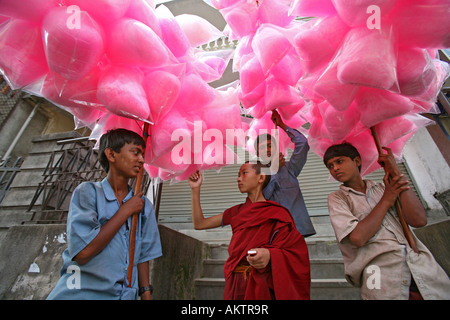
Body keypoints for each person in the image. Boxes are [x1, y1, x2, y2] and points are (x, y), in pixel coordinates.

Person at [324, 142, 450, 300]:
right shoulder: (338, 198)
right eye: (330, 166)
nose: (334, 168)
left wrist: (395, 170)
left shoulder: (384, 187)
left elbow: (419, 220)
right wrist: (387, 199)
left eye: (339, 161)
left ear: (356, 161)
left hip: (419, 266)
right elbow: (358, 238)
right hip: (378, 275)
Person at [47, 128, 162, 300]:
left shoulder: (144, 207)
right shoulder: (88, 193)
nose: (141, 159)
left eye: (143, 154)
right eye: (136, 152)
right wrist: (126, 210)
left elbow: (143, 254)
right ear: (111, 154)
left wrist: (145, 293)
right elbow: (83, 253)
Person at [188, 162, 310, 300]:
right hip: (236, 280)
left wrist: (270, 254)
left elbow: (294, 251)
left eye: (244, 173)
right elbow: (199, 224)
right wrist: (195, 189)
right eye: (238, 175)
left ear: (261, 178)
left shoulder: (278, 213)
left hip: (262, 282)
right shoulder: (236, 212)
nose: (238, 179)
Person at [255, 110, 316, 237]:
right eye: (262, 147)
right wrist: (274, 168)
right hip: (273, 233)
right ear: (257, 154)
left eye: (269, 146)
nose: (266, 150)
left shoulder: (290, 168)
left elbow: (303, 144)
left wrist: (282, 125)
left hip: (297, 229)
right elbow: (262, 198)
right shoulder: (257, 174)